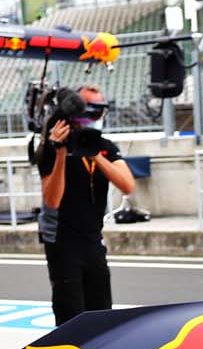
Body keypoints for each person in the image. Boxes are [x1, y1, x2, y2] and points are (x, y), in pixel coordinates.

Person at [36, 86, 135, 325]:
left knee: (101, 313)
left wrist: (93, 153)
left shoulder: (103, 146)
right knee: (70, 315)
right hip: (62, 241)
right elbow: (51, 200)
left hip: (93, 239)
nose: (92, 119)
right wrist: (61, 154)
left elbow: (127, 185)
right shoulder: (52, 146)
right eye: (87, 111)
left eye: (98, 112)